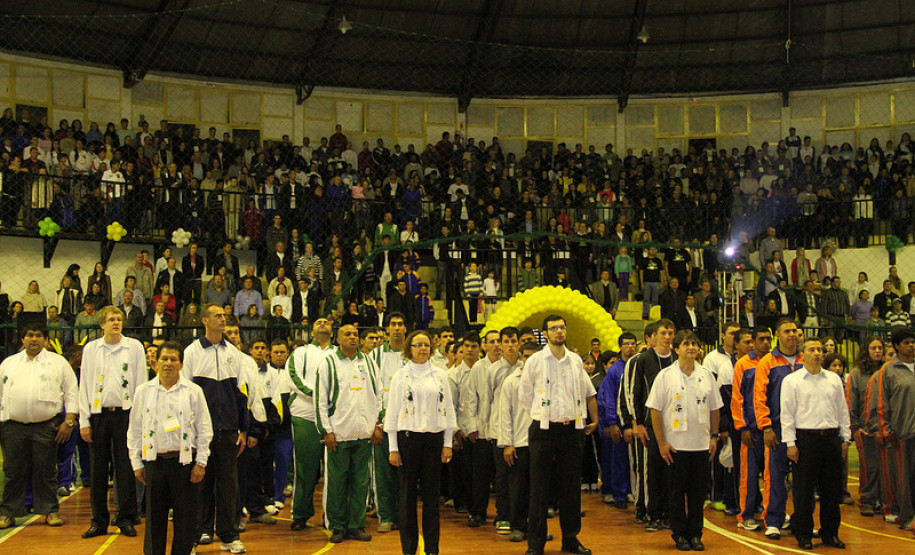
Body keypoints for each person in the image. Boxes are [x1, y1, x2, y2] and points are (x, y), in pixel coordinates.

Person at [519, 314, 598, 555]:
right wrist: (543, 413)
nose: (559, 332)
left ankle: (571, 538)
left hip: (571, 431)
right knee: (539, 488)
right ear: (545, 333)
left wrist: (589, 418)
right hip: (543, 430)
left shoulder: (575, 361)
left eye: (562, 327)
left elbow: (587, 391)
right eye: (554, 328)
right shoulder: (535, 361)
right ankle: (536, 543)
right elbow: (525, 395)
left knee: (571, 488)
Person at [127, 341, 213, 555]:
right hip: (154, 463)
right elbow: (134, 429)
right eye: (164, 359)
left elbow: (204, 428)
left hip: (184, 464)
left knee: (185, 520)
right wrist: (136, 463)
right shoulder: (143, 391)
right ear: (156, 363)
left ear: (181, 364)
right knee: (155, 520)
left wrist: (201, 462)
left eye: (173, 359)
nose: (168, 363)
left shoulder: (193, 391)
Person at [181, 305, 255, 554]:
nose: (223, 320)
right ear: (204, 320)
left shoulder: (233, 353)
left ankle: (229, 535)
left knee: (228, 485)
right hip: (200, 433)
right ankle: (197, 533)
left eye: (224, 316)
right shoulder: (191, 352)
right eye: (217, 316)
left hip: (228, 431)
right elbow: (186, 394)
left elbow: (242, 393)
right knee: (199, 483)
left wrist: (243, 429)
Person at [647, 330, 723, 552]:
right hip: (675, 446)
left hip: (700, 445)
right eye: (686, 344)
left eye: (694, 344)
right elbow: (655, 410)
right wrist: (661, 442)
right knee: (676, 492)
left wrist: (714, 437)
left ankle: (696, 533)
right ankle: (679, 533)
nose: (691, 347)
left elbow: (715, 408)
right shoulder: (665, 376)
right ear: (676, 348)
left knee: (698, 493)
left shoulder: (707, 375)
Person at [384, 330, 457, 555]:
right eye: (417, 345)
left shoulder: (440, 375)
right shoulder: (401, 376)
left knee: (431, 496)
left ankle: (432, 548)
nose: (422, 348)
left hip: (433, 440)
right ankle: (408, 548)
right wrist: (393, 448)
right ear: (409, 349)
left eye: (426, 344)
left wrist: (447, 443)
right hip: (408, 440)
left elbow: (448, 411)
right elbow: (393, 412)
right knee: (407, 497)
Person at [0, 323, 78, 529]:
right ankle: (8, 513)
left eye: (38, 336)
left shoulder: (58, 362)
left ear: (45, 340)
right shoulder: (9, 363)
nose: (33, 339)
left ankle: (50, 511)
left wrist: (69, 421)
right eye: (29, 335)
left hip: (47, 425)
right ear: (22, 339)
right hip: (12, 425)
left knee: (46, 470)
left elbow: (71, 392)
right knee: (13, 471)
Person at [78, 306, 147, 539]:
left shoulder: (134, 347)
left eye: (119, 319)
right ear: (102, 324)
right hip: (98, 415)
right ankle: (98, 521)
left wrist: (139, 420)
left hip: (125, 415)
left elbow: (141, 383)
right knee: (98, 470)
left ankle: (126, 518)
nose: (116, 322)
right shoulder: (91, 349)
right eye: (111, 319)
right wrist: (84, 420)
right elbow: (84, 385)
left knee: (125, 468)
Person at [780, 336, 851, 550]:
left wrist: (845, 438)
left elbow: (842, 411)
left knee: (831, 490)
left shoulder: (833, 379)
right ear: (803, 354)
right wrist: (790, 443)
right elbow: (787, 415)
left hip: (830, 438)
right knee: (803, 490)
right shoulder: (792, 381)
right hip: (805, 439)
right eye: (812, 349)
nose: (817, 353)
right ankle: (803, 534)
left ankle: (830, 533)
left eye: (820, 349)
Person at [314, 324, 382, 543]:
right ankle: (337, 526)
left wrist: (378, 424)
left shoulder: (369, 362)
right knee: (337, 482)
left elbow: (379, 394)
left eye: (355, 334)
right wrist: (326, 431)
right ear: (338, 338)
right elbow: (320, 400)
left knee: (361, 482)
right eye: (347, 334)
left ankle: (356, 525)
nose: (352, 337)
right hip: (339, 433)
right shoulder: (328, 363)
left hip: (364, 433)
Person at [753, 318, 803, 539]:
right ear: (778, 335)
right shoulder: (767, 362)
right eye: (787, 331)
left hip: (804, 428)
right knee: (775, 475)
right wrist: (766, 427)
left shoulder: (806, 358)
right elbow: (759, 396)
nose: (792, 334)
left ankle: (803, 520)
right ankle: (774, 520)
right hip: (778, 428)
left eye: (795, 330)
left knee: (805, 477)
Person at [283, 316, 334, 531]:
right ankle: (300, 513)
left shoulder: (338, 354)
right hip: (304, 414)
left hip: (333, 417)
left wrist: (329, 401)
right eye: (318, 321)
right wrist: (317, 396)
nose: (322, 323)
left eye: (326, 322)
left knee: (334, 470)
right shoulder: (300, 352)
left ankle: (332, 515)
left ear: (333, 330)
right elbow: (293, 378)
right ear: (311, 330)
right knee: (305, 467)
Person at [630, 318, 678, 531]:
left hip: (676, 425)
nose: (667, 337)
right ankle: (653, 514)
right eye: (663, 333)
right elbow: (635, 392)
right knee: (652, 471)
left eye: (670, 333)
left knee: (673, 471)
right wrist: (638, 422)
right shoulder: (643, 359)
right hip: (650, 425)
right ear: (654, 336)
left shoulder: (678, 359)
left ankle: (670, 513)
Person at [867, 327, 915, 530]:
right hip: (904, 431)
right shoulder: (888, 370)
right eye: (906, 342)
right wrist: (884, 429)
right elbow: (881, 401)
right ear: (896, 346)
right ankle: (908, 515)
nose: (911, 346)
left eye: (913, 342)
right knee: (906, 477)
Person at [368, 313, 409, 533]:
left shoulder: (413, 354)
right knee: (383, 472)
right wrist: (376, 421)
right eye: (392, 325)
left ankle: (404, 517)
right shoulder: (375, 356)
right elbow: (372, 390)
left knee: (406, 473)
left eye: (400, 325)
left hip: (409, 424)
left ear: (405, 328)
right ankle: (385, 515)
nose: (396, 328)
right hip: (384, 422)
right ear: (387, 330)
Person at [497, 341, 540, 542]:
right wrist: (507, 443)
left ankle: (538, 529)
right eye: (527, 356)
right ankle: (518, 526)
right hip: (519, 442)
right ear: (522, 358)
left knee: (539, 489)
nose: (530, 360)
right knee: (518, 488)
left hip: (542, 442)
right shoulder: (511, 381)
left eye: (534, 356)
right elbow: (504, 414)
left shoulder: (547, 380)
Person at [731, 327, 772, 531]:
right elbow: (737, 399)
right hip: (752, 430)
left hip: (773, 429)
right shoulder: (743, 364)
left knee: (773, 475)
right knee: (749, 474)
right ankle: (746, 515)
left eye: (768, 339)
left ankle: (772, 513)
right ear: (753, 342)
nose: (766, 342)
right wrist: (743, 427)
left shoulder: (777, 362)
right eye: (761, 339)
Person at [597, 332, 636, 508]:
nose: (630, 347)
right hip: (619, 421)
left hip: (635, 420)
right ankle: (618, 493)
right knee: (617, 458)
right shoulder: (615, 370)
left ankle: (629, 490)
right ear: (620, 346)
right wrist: (611, 421)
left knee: (632, 459)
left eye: (633, 343)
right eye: (626, 344)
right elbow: (609, 398)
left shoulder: (638, 365)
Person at [847, 336, 885, 516]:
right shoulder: (857, 373)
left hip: (885, 428)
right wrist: (855, 427)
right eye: (873, 348)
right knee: (870, 467)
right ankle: (867, 500)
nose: (877, 351)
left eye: (880, 348)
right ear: (866, 351)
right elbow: (852, 401)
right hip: (865, 428)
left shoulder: (888, 371)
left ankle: (883, 500)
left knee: (885, 467)